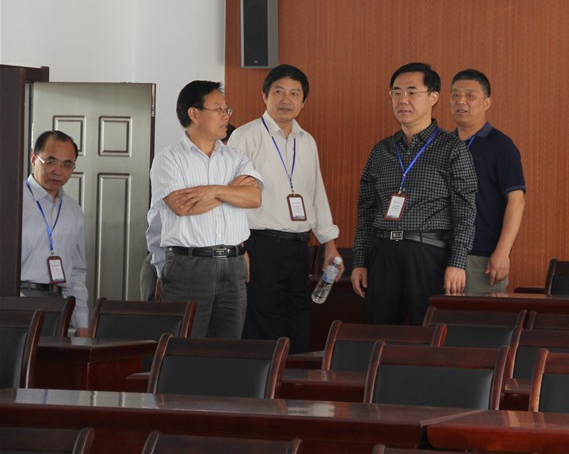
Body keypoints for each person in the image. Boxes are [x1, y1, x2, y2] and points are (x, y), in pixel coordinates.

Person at [351, 62, 477, 325]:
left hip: (427, 254)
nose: (402, 100)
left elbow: (465, 213)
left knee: (428, 332)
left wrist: (457, 263)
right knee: (379, 333)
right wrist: (360, 260)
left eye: (411, 92)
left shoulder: (452, 149)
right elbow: (366, 211)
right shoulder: (382, 151)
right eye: (396, 93)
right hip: (383, 253)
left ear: (433, 97)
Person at [228, 65, 342, 354]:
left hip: (299, 247)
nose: (286, 100)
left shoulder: (307, 141)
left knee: (298, 320)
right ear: (264, 95)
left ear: (304, 101)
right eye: (278, 92)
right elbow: (231, 197)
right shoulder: (245, 136)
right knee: (262, 324)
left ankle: (295, 382)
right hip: (259, 246)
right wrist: (238, 248)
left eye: (294, 93)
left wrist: (329, 244)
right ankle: (264, 383)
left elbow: (317, 193)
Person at [149, 80, 262, 338]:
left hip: (233, 265)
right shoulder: (169, 158)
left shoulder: (236, 157)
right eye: (219, 109)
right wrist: (231, 191)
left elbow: (254, 197)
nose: (226, 115)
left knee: (226, 349)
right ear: (194, 113)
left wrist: (213, 191)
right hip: (189, 266)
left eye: (227, 109)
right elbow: (182, 206)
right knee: (184, 347)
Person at [450, 69, 526, 294]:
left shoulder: (501, 146)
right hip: (443, 254)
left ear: (486, 103)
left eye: (470, 96)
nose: (461, 101)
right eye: (455, 95)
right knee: (439, 315)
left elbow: (516, 201)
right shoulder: (443, 145)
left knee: (479, 316)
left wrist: (502, 252)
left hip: (482, 257)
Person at [20, 130, 89, 336]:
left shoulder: (73, 211)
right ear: (34, 158)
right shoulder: (13, 200)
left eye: (67, 165)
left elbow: (77, 272)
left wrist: (82, 324)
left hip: (58, 305)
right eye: (50, 161)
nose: (58, 171)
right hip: (17, 302)